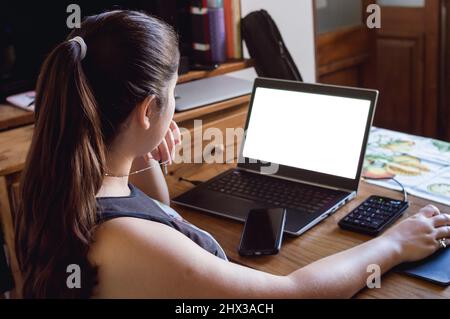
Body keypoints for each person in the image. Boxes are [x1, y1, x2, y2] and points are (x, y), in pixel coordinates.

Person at [15, 10, 450, 299]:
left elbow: (159, 213)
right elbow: (293, 294)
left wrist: (141, 153)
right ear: (147, 110)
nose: (173, 110)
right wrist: (394, 244)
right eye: (173, 96)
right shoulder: (126, 239)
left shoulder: (69, 177)